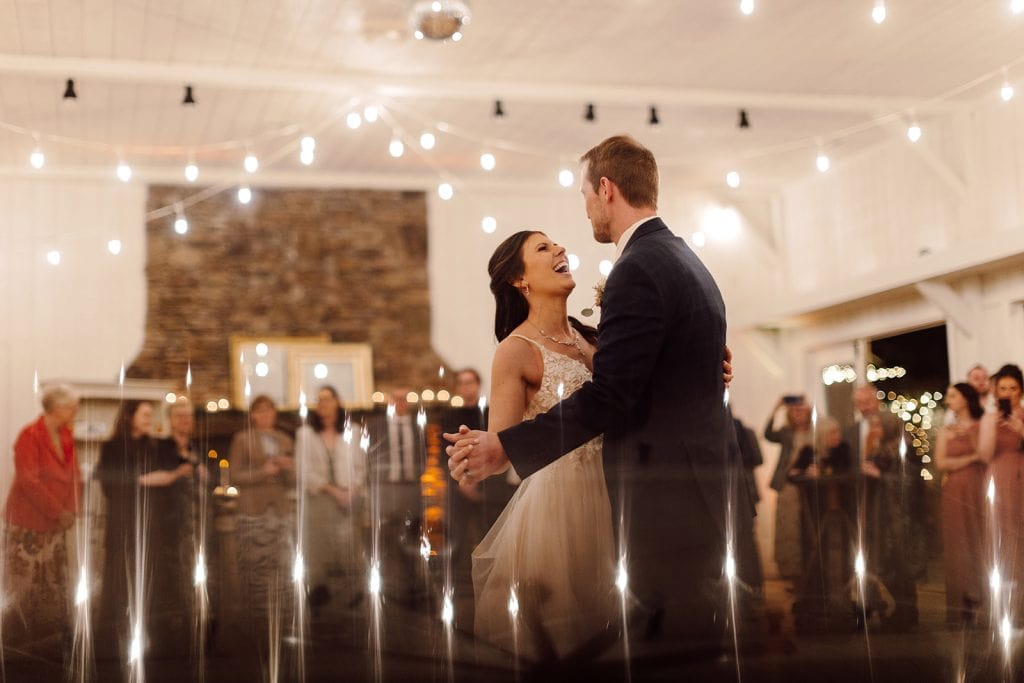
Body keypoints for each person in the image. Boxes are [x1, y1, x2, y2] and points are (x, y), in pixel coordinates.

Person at [446, 135, 744, 649]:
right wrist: (489, 451)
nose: (566, 240)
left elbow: (613, 393)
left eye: (584, 197)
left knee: (650, 642)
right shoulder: (680, 258)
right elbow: (506, 441)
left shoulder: (618, 298)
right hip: (569, 513)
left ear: (605, 189)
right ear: (519, 280)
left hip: (642, 500)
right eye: (544, 247)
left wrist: (697, 367)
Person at [469, 230, 616, 661]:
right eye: (543, 248)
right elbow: (503, 450)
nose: (560, 249)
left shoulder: (595, 338)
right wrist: (477, 450)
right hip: (560, 510)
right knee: (566, 633)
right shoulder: (515, 350)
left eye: (557, 244)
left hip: (618, 491)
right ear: (519, 279)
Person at [95, 400, 194, 658]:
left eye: (152, 414)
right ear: (130, 416)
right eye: (145, 414)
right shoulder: (112, 447)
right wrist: (145, 480)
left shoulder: (155, 446)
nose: (150, 418)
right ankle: (115, 642)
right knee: (121, 580)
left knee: (152, 581)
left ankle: (150, 641)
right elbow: (108, 484)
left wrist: (169, 475)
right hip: (124, 525)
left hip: (153, 525)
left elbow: (174, 468)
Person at [2, 384, 81, 651]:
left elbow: (74, 476)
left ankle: (50, 642)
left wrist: (72, 509)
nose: (75, 412)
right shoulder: (30, 435)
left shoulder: (66, 435)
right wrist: (58, 511)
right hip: (28, 524)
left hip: (54, 524)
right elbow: (28, 481)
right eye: (72, 407)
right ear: (58, 409)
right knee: (24, 586)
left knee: (54, 585)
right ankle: (16, 644)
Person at [845, 385, 924, 631]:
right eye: (859, 401)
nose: (875, 429)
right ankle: (870, 608)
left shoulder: (900, 443)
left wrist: (881, 476)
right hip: (868, 509)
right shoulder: (856, 434)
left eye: (880, 426)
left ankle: (906, 613)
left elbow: (910, 478)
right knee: (871, 559)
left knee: (897, 562)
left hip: (894, 515)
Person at [296, 385, 366, 613]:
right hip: (320, 497)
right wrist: (332, 490)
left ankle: (356, 593)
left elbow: (361, 465)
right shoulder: (305, 434)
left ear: (337, 402)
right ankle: (319, 592)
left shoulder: (353, 430)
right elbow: (303, 470)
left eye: (328, 399)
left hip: (350, 497)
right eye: (320, 400)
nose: (324, 404)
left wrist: (352, 490)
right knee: (318, 546)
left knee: (350, 546)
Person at [227, 395, 295, 628]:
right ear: (252, 415)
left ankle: (282, 618)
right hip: (253, 511)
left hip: (280, 512)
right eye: (260, 411)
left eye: (269, 410)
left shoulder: (285, 440)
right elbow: (233, 475)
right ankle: (255, 620)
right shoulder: (241, 439)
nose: (265, 415)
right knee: (255, 566)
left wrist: (288, 468)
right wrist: (262, 472)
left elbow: (292, 481)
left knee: (282, 565)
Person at [935, 382, 987, 626]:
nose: (948, 400)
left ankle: (982, 597)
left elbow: (985, 454)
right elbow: (941, 463)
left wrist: (970, 450)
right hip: (954, 489)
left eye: (953, 395)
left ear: (966, 399)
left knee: (979, 540)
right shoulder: (947, 430)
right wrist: (970, 458)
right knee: (958, 542)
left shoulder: (981, 425)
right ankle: (962, 602)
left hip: (979, 487)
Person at [978, 364, 1024, 624]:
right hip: (999, 478)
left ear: (1021, 391)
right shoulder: (988, 418)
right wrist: (992, 427)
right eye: (1003, 388)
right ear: (996, 392)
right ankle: (1008, 608)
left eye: (1013, 388)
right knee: (1003, 538)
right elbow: (984, 455)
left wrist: (1020, 428)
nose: (1008, 393)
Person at [764, 396, 812, 581]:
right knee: (787, 526)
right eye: (794, 411)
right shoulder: (786, 432)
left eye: (801, 410)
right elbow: (768, 434)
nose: (798, 414)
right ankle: (789, 570)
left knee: (805, 526)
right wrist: (776, 408)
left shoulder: (814, 431)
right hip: (788, 485)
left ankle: (806, 568)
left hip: (808, 486)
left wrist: (809, 404)